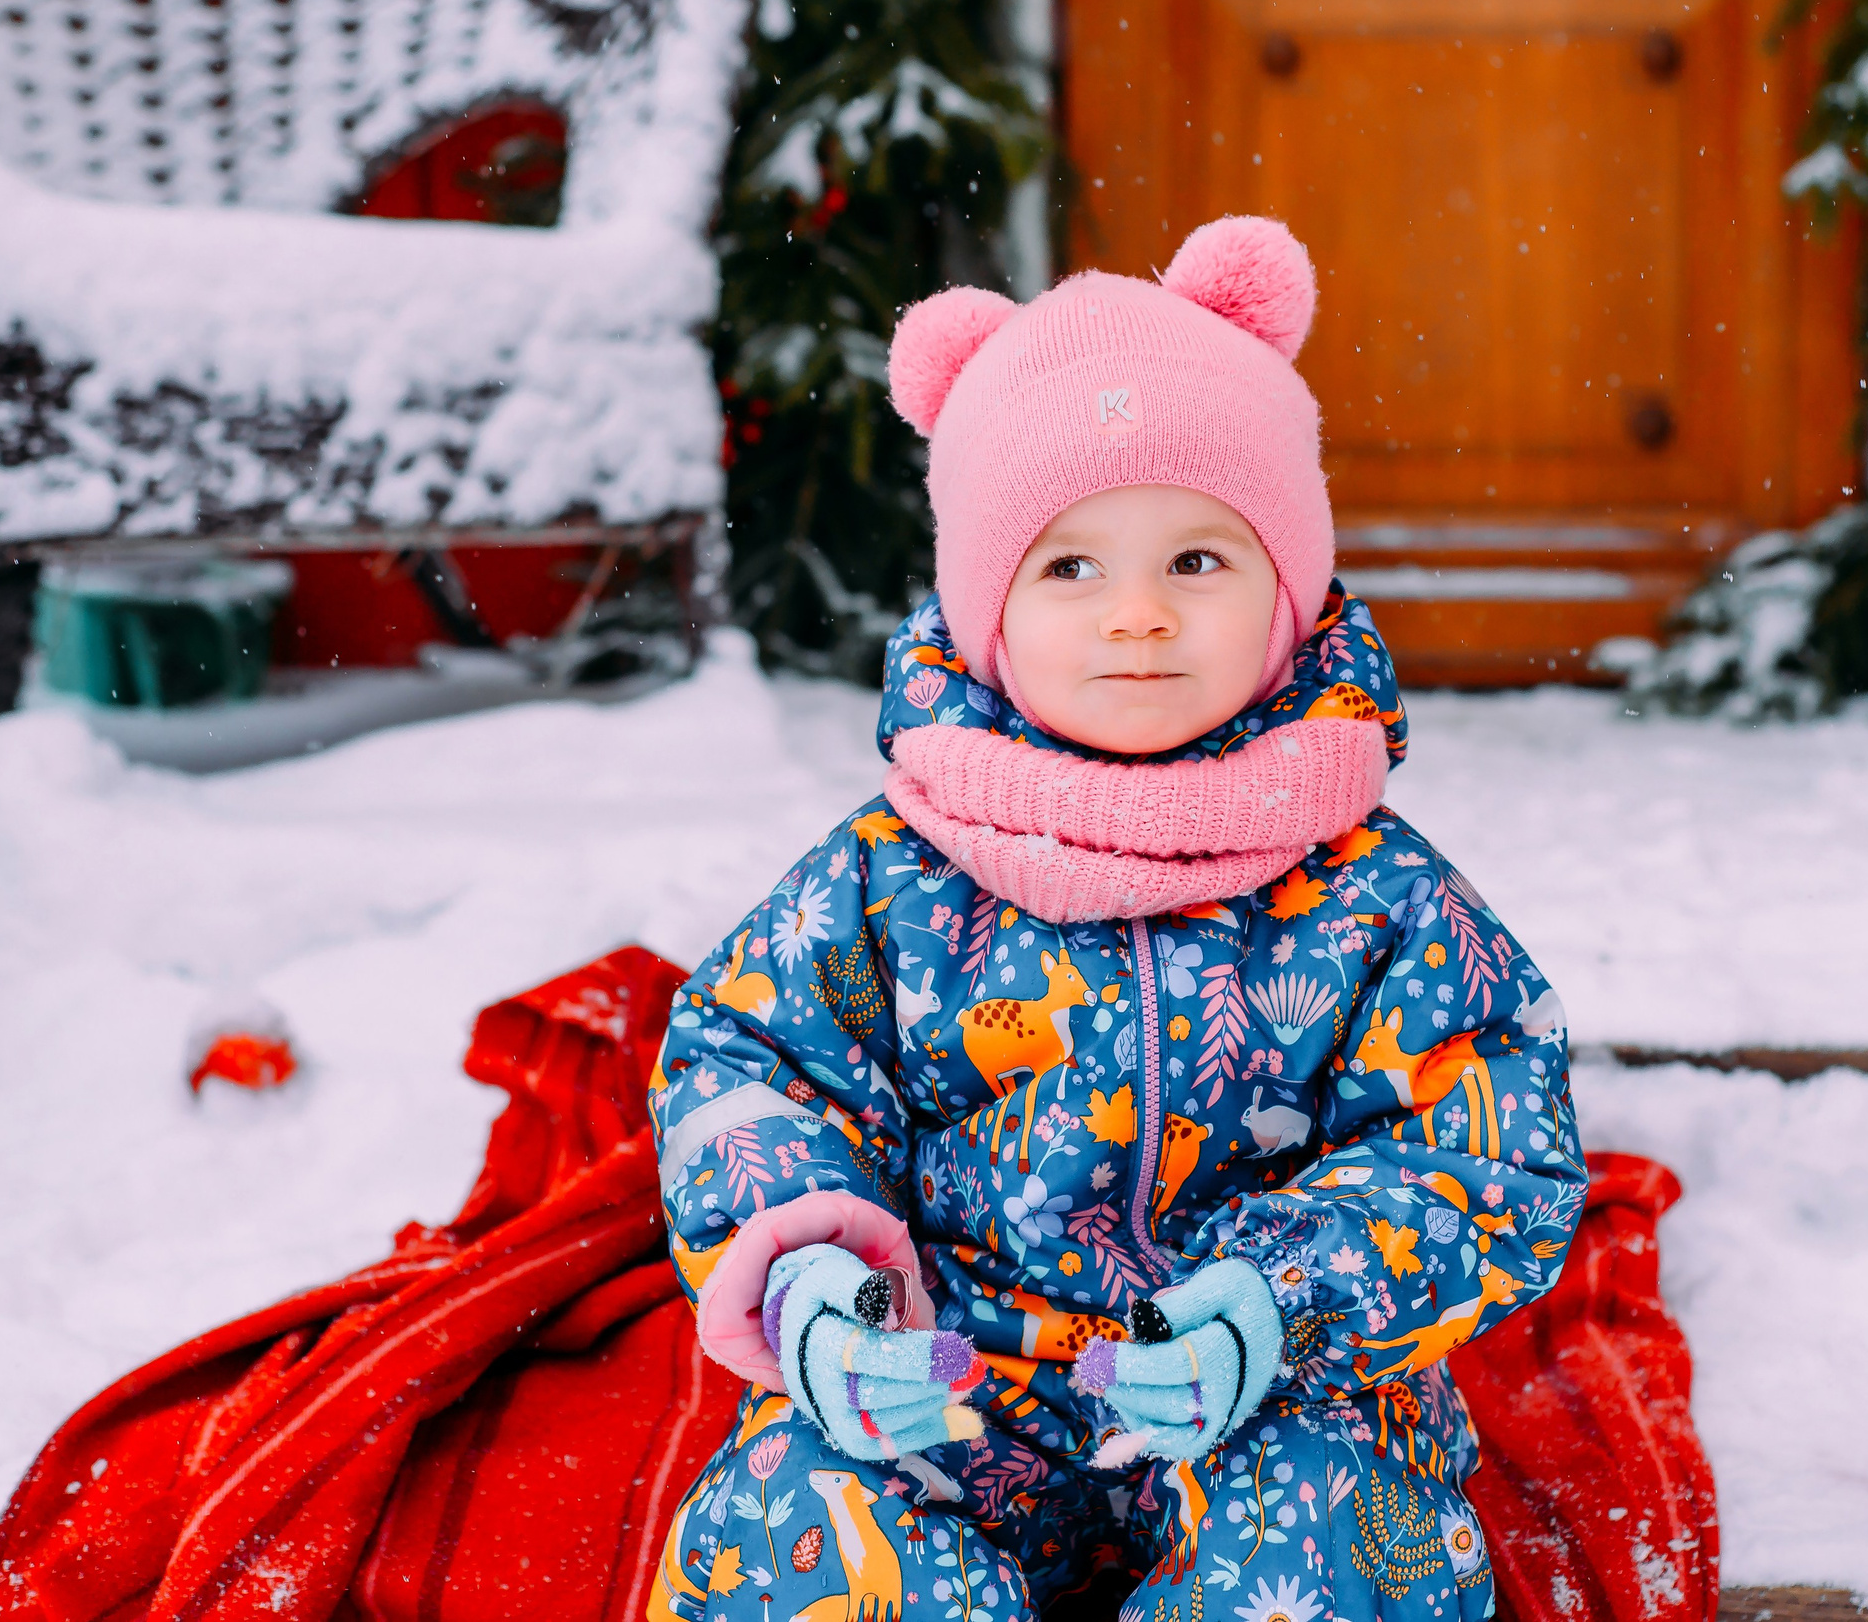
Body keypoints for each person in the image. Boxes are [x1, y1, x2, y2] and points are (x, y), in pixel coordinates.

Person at [646, 217, 1584, 1622]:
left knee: (1344, 1555)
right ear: (987, 610)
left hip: (1268, 1389)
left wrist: (1284, 1300)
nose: (1137, 616)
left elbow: (1487, 1139)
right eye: (1070, 567)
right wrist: (820, 1292)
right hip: (952, 1380)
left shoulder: (1376, 888)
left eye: (1198, 560)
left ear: (1289, 589)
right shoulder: (889, 874)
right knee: (797, 1533)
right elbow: (749, 1063)